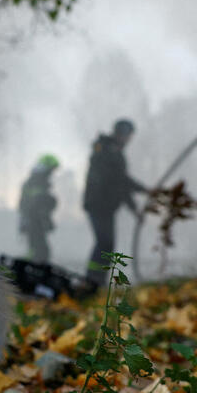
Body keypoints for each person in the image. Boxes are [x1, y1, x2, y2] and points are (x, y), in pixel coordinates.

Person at [83, 119, 146, 286]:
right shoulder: (107, 151)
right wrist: (143, 190)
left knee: (107, 244)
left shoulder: (114, 152)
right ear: (121, 134)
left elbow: (121, 186)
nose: (129, 139)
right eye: (128, 135)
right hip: (98, 204)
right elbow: (120, 181)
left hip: (107, 206)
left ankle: (96, 281)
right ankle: (92, 281)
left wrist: (135, 209)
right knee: (104, 242)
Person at [18, 153, 59, 263]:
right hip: (33, 220)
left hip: (35, 220)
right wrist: (51, 202)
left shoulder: (38, 181)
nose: (52, 173)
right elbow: (37, 202)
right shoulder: (36, 181)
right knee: (39, 250)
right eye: (51, 170)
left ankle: (33, 265)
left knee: (39, 248)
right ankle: (30, 267)